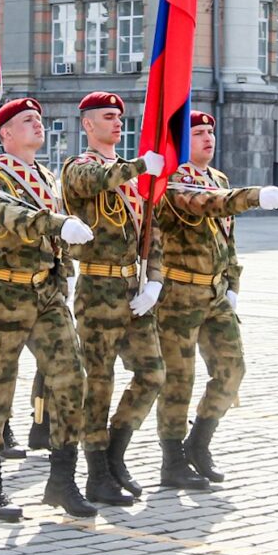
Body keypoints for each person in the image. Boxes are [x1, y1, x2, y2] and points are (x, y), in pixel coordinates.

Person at [0, 97, 98, 521]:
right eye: (27, 121)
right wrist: (57, 223)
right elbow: (8, 216)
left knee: (70, 380)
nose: (38, 125)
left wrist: (67, 246)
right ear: (5, 134)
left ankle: (62, 480)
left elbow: (52, 235)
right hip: (3, 295)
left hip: (46, 294)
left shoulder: (46, 174)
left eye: (39, 119)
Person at [154, 110, 278, 489]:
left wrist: (232, 283)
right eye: (198, 133)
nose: (208, 138)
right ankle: (172, 460)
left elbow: (227, 239)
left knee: (232, 370)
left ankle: (199, 443)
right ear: (182, 141)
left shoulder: (217, 178)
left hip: (215, 294)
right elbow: (206, 204)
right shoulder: (170, 180)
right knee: (178, 380)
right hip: (179, 294)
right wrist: (254, 196)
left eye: (210, 131)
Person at [59, 92, 167, 505]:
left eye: (120, 117)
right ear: (88, 125)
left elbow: (149, 233)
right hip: (98, 289)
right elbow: (92, 182)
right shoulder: (79, 166)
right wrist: (140, 166)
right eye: (108, 117)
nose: (117, 123)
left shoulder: (132, 179)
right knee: (99, 382)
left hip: (131, 289)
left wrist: (153, 280)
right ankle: (96, 473)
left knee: (152, 373)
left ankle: (115, 454)